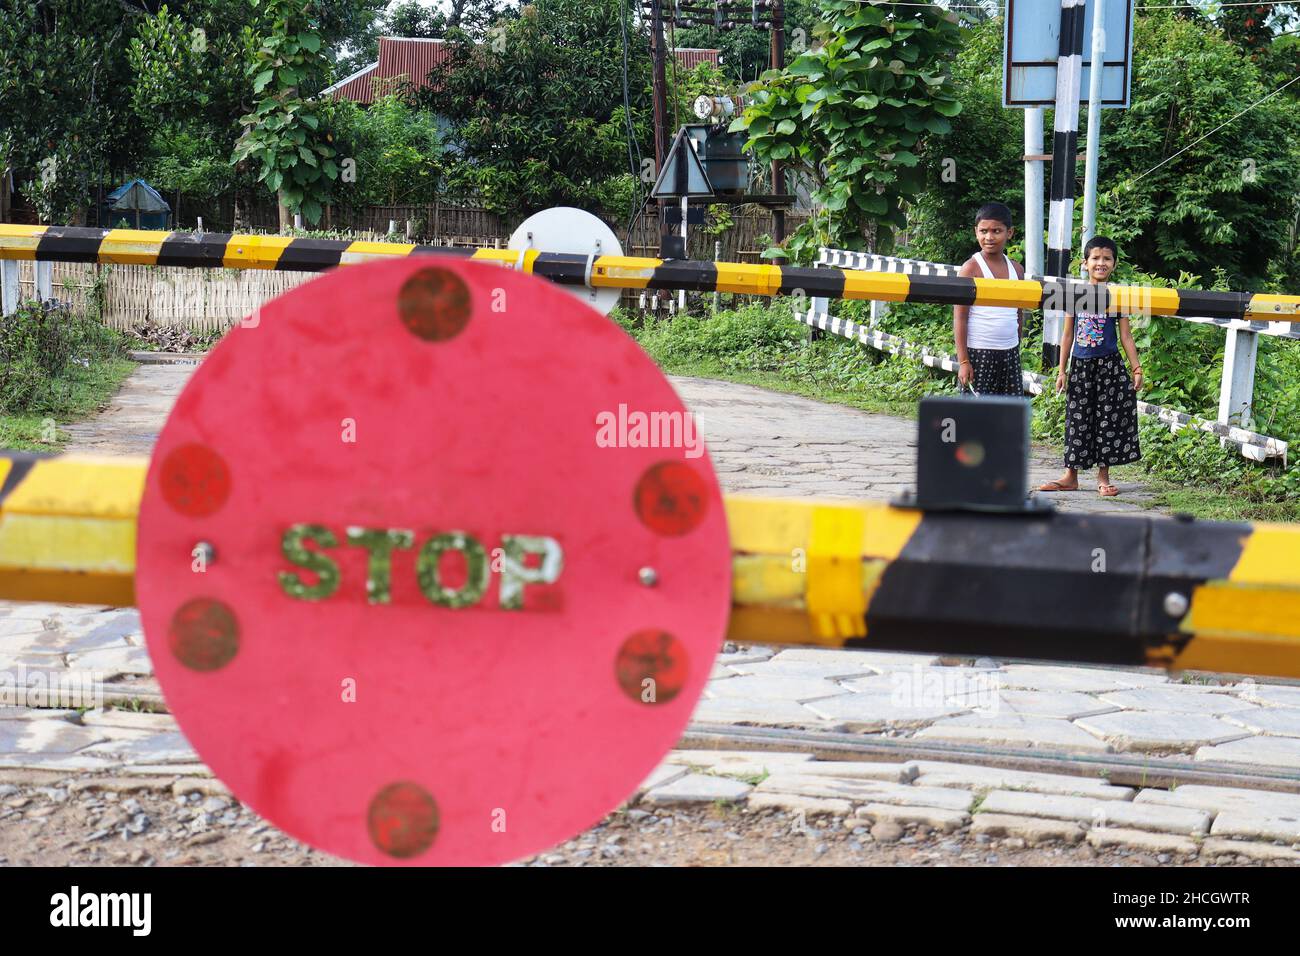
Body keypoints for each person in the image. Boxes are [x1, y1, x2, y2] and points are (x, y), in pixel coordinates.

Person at [1038, 236, 1143, 497]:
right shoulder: (1075, 294)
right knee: (1078, 419)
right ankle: (1070, 476)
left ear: (1114, 264)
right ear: (1085, 263)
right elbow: (1067, 335)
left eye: (1107, 258)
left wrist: (1137, 368)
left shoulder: (1119, 295)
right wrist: (1062, 371)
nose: (1101, 263)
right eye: (1095, 258)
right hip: (1081, 366)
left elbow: (1126, 336)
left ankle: (1103, 477)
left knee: (1107, 419)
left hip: (1110, 366)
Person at [953, 202, 1030, 396]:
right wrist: (963, 361)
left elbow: (1018, 312)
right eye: (984, 231)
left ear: (1009, 233)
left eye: (996, 231)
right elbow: (960, 317)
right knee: (976, 415)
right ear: (976, 232)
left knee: (1007, 415)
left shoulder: (1017, 269)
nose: (989, 237)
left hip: (1010, 353)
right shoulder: (971, 268)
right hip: (979, 352)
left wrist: (1015, 346)